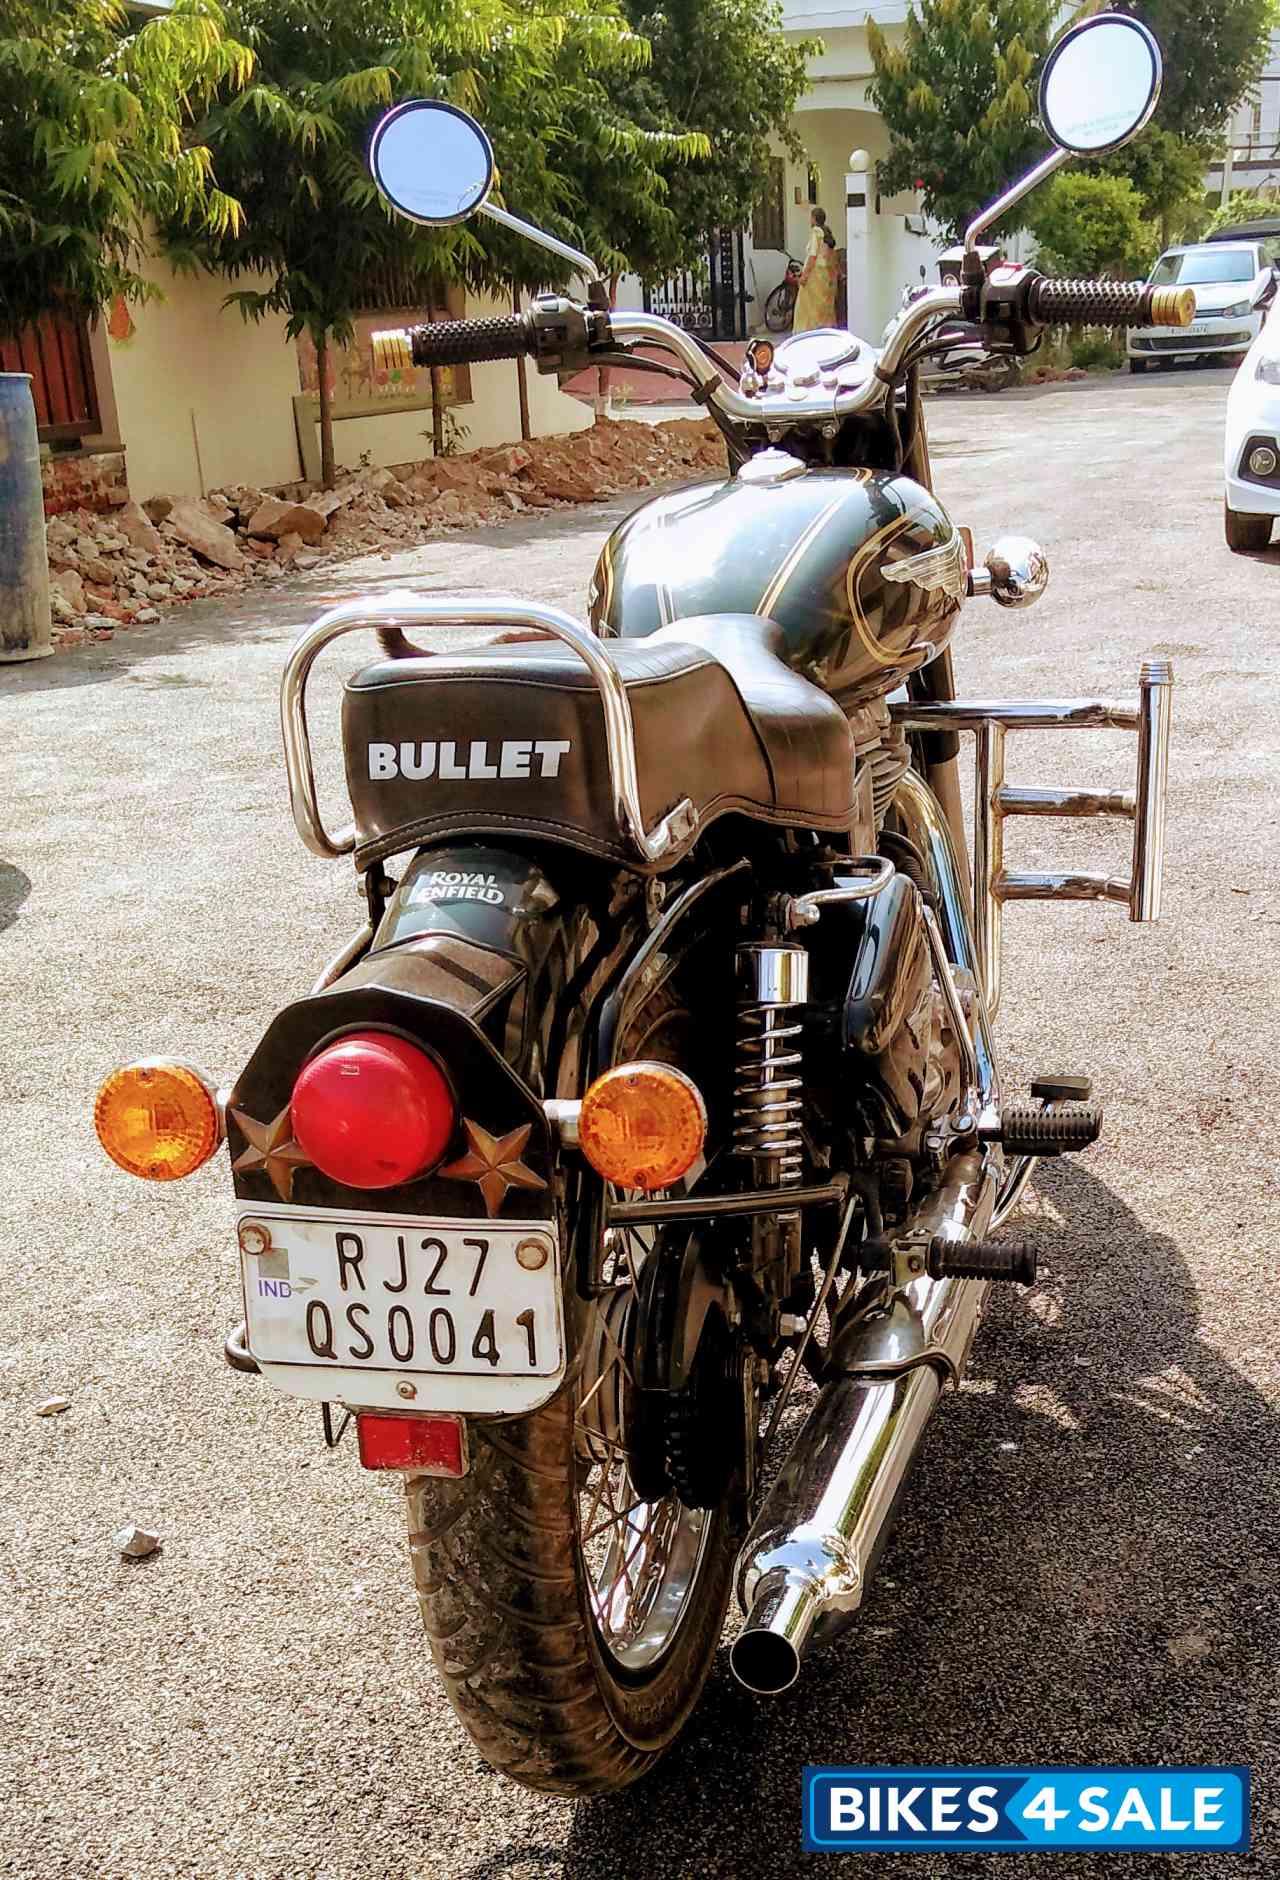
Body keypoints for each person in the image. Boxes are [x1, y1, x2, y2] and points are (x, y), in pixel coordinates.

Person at [792, 206, 840, 332]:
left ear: (813, 218)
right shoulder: (827, 232)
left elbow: (812, 255)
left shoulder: (816, 232)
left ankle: (808, 332)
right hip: (826, 274)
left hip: (816, 274)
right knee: (824, 306)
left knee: (807, 306)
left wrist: (805, 275)